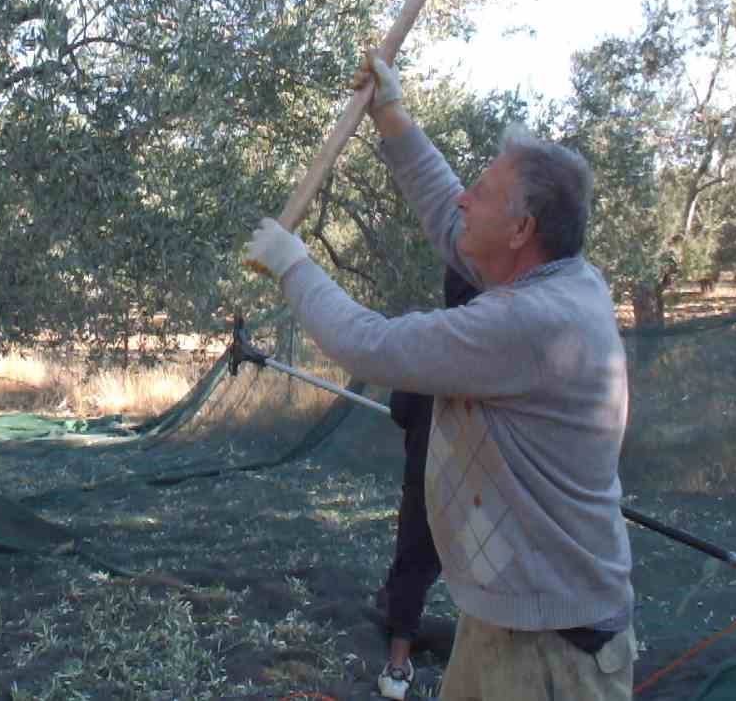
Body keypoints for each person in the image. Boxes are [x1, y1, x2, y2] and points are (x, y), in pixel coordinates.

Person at [242, 55, 636, 701]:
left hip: (554, 652)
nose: (463, 197)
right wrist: (391, 115)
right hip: (505, 619)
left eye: (480, 191)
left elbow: (371, 346)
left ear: (521, 230)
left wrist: (294, 267)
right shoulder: (550, 275)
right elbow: (448, 218)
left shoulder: (530, 322)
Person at [376, 266, 478, 701]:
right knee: (480, 568)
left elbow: (400, 411)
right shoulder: (501, 346)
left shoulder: (425, 340)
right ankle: (482, 664)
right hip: (480, 480)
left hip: (425, 475)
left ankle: (397, 667)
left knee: (413, 563)